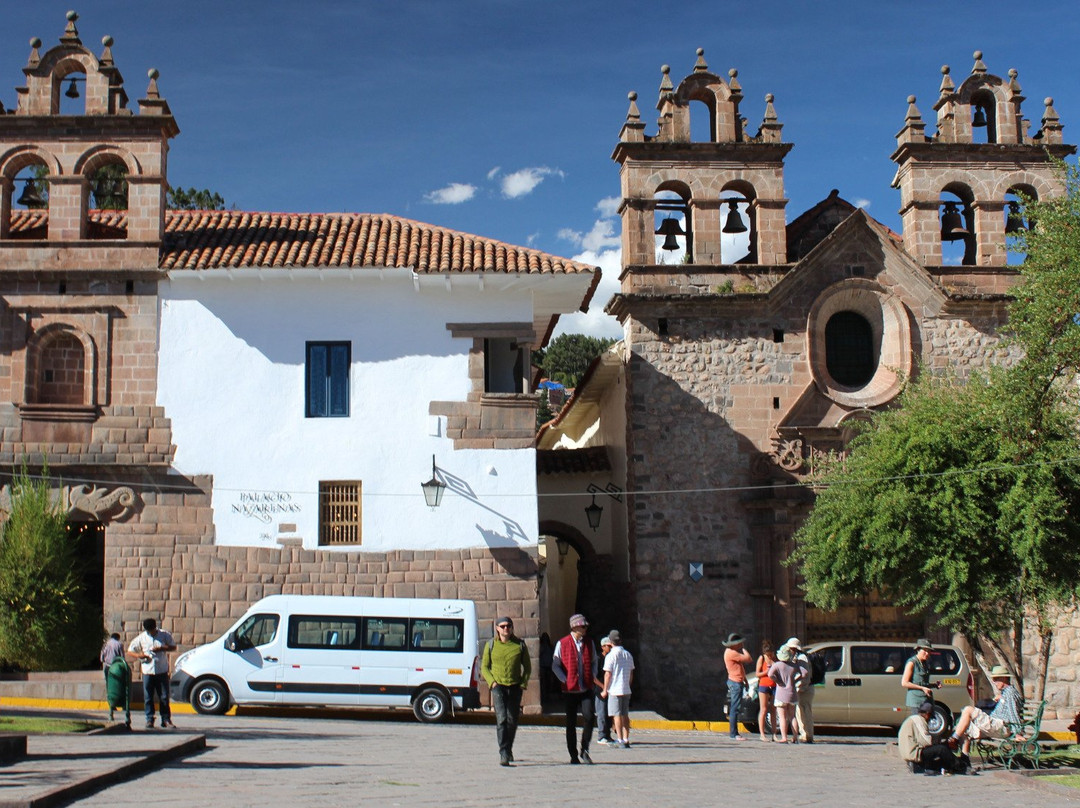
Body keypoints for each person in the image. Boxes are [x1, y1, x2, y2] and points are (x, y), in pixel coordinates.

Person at [480, 616, 531, 767]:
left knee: (512, 720)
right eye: (502, 626)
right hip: (498, 687)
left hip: (515, 686)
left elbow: (527, 667)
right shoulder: (491, 645)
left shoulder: (519, 645)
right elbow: (484, 667)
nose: (506, 629)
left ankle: (508, 748)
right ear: (497, 628)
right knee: (501, 718)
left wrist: (523, 683)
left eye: (508, 626)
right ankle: (503, 752)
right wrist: (492, 682)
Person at [946, 665, 1026, 755]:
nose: (994, 682)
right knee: (964, 728)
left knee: (968, 710)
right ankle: (964, 759)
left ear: (1004, 678)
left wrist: (1018, 733)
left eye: (996, 679)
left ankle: (953, 739)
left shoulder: (1010, 693)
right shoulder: (1005, 693)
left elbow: (1013, 713)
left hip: (1001, 726)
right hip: (994, 726)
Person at [552, 613, 598, 764]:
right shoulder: (562, 643)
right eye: (582, 626)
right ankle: (573, 754)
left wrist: (592, 675)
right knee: (571, 722)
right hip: (570, 690)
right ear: (574, 627)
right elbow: (555, 665)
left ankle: (585, 749)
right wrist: (564, 679)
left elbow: (594, 661)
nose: (585, 629)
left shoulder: (589, 643)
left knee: (589, 716)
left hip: (586, 687)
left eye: (585, 626)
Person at [127, 617, 177, 729]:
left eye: (152, 630)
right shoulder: (141, 638)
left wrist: (162, 648)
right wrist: (139, 655)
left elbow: (173, 647)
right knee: (148, 697)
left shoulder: (164, 635)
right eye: (148, 631)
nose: (150, 632)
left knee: (164, 696)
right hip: (147, 671)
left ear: (155, 627)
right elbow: (130, 651)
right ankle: (149, 719)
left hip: (161, 670)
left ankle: (166, 719)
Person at [899, 700, 968, 774]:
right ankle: (962, 767)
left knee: (941, 759)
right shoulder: (919, 721)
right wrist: (944, 744)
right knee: (941, 749)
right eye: (930, 717)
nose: (929, 720)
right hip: (914, 753)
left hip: (911, 753)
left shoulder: (912, 719)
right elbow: (927, 742)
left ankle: (921, 767)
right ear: (927, 714)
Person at [602, 630, 635, 748]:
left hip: (614, 689)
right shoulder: (628, 654)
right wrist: (628, 684)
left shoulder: (610, 656)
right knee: (625, 714)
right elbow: (631, 673)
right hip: (625, 689)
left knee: (617, 715)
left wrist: (605, 689)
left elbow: (608, 674)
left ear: (611, 642)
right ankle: (626, 739)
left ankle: (620, 739)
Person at [767, 645, 800, 743]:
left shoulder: (778, 665)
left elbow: (770, 674)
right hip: (792, 693)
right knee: (792, 716)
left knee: (782, 717)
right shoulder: (794, 666)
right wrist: (794, 681)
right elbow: (803, 674)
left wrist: (778, 681)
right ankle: (795, 737)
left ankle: (784, 737)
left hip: (781, 693)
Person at [784, 637, 814, 743]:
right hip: (803, 687)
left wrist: (794, 680)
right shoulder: (799, 657)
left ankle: (807, 735)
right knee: (800, 712)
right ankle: (805, 734)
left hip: (804, 688)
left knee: (804, 712)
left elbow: (804, 673)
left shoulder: (801, 658)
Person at [723, 633, 752, 741]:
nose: (740, 644)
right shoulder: (732, 653)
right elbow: (748, 658)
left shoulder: (731, 652)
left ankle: (734, 733)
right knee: (735, 708)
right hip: (735, 683)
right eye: (739, 643)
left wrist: (745, 680)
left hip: (736, 681)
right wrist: (744, 648)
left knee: (735, 707)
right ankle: (733, 733)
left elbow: (740, 668)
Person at [901, 638, 938, 714]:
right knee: (918, 720)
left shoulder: (925, 663)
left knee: (928, 719)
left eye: (929, 651)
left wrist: (934, 685)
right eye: (925, 650)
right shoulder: (912, 663)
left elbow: (923, 683)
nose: (927, 653)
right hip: (916, 701)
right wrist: (922, 688)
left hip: (926, 700)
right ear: (918, 650)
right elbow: (904, 683)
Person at [755, 640, 778, 742]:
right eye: (768, 654)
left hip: (774, 685)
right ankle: (762, 734)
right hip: (764, 685)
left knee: (773, 709)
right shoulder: (762, 658)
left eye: (771, 654)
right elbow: (757, 674)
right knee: (763, 709)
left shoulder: (775, 659)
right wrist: (766, 672)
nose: (770, 656)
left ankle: (774, 734)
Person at [595, 636, 616, 745]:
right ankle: (601, 735)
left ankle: (608, 735)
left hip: (610, 689)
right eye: (608, 646)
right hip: (600, 689)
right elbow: (594, 677)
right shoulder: (598, 659)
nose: (610, 648)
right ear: (603, 647)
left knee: (609, 714)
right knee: (602, 713)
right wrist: (604, 687)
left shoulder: (611, 658)